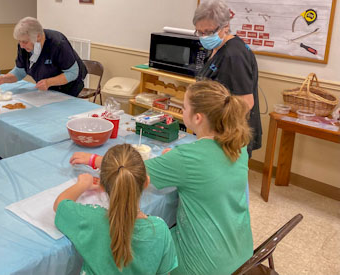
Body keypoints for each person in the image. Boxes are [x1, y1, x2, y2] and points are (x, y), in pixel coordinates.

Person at [69, 80, 254, 274]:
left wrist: (94, 159)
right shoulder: (237, 145)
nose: (182, 111)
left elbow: (131, 170)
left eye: (184, 107)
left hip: (205, 266)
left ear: (197, 118)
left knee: (139, 244)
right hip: (242, 255)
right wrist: (174, 161)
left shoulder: (187, 158)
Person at [54, 144, 178, 274]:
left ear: (103, 184)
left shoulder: (90, 219)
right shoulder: (160, 230)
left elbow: (60, 203)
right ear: (146, 183)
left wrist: (82, 184)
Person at [193, 0, 262, 158]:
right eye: (199, 32)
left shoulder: (234, 54)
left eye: (209, 32)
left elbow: (245, 103)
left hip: (229, 135)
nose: (204, 37)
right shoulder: (215, 48)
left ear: (226, 27)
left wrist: (216, 130)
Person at [0, 17, 87, 97]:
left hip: (69, 87)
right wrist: (4, 79)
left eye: (25, 42)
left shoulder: (58, 44)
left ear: (38, 36)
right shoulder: (24, 46)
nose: (21, 45)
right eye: (19, 41)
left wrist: (49, 82)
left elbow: (72, 72)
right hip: (47, 89)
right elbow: (20, 71)